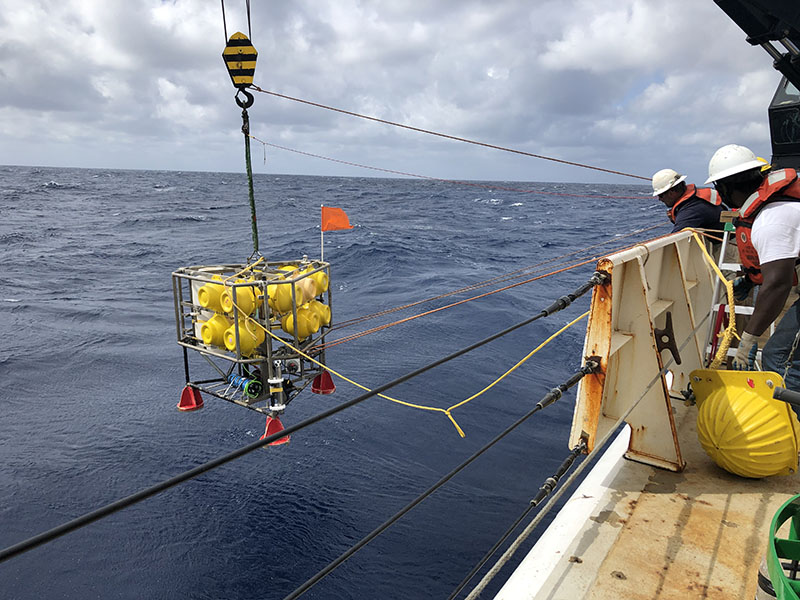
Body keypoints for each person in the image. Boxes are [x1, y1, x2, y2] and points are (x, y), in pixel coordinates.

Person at [705, 144, 800, 389]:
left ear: (726, 187)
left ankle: (794, 421)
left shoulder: (771, 219)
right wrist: (750, 280)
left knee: (778, 358)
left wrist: (749, 338)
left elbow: (778, 284)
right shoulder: (778, 206)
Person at [651, 168, 724, 233]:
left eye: (660, 195)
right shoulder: (696, 199)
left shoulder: (690, 210)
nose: (659, 199)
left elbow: (675, 239)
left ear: (671, 192)